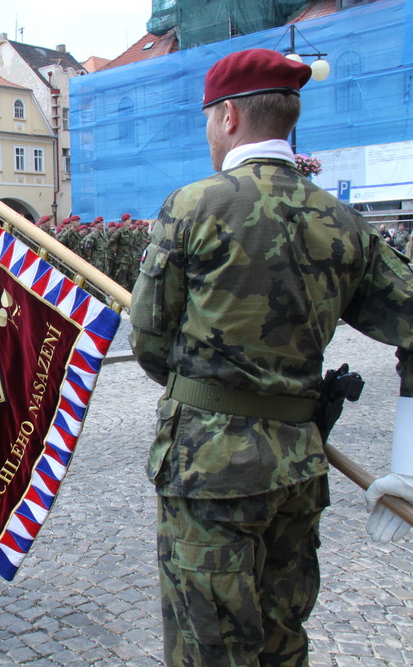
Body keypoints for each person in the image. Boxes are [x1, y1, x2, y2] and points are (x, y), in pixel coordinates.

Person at [129, 48, 413, 666]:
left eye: (209, 118)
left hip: (209, 471)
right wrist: (408, 457)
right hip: (297, 468)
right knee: (283, 639)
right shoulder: (343, 220)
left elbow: (149, 342)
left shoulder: (194, 205)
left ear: (228, 115)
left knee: (212, 648)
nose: (208, 130)